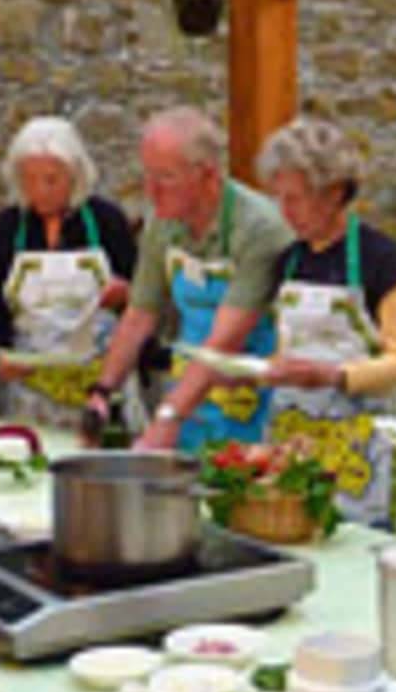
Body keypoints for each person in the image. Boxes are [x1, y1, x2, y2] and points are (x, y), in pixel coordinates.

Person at [85, 107, 293, 452]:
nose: (151, 191)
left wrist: (167, 418)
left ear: (208, 175)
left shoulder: (259, 229)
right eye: (147, 176)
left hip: (252, 400)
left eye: (165, 177)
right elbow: (139, 316)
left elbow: (224, 340)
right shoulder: (164, 223)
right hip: (189, 396)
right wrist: (102, 392)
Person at [257, 117, 396, 527]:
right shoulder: (289, 261)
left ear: (333, 193)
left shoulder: (379, 258)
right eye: (280, 198)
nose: (285, 211)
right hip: (294, 444)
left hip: (360, 452)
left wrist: (333, 375)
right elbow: (283, 348)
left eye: (295, 198)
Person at [0, 116, 139, 430]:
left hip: (99, 380)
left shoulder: (106, 221)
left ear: (76, 175)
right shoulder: (5, 228)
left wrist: (124, 293)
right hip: (31, 385)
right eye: (30, 179)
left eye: (52, 179)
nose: (41, 190)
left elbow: (143, 299)